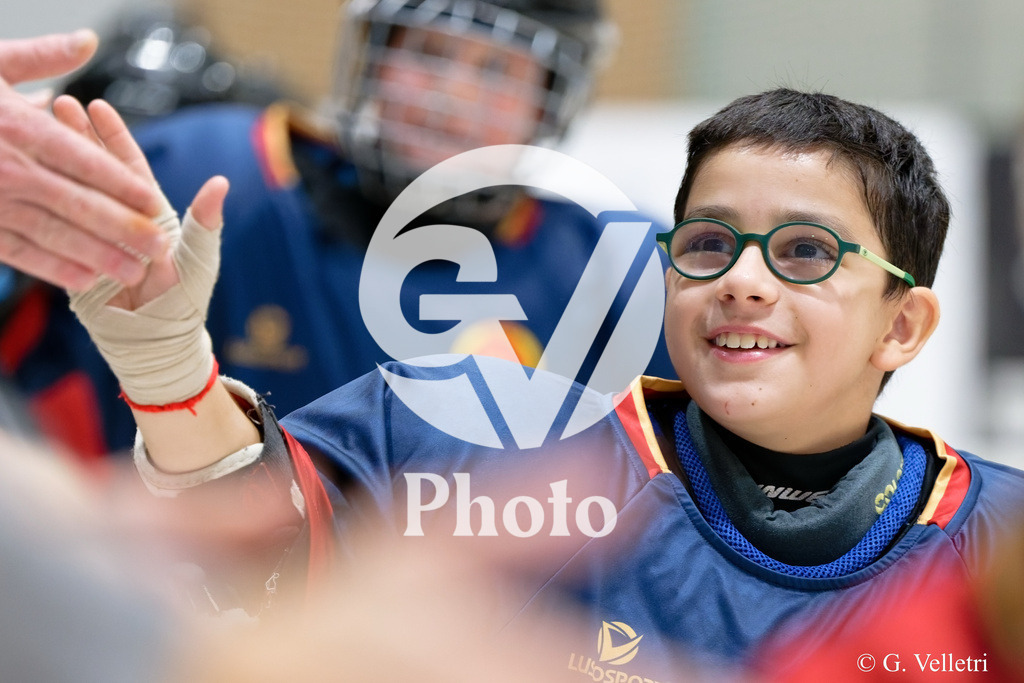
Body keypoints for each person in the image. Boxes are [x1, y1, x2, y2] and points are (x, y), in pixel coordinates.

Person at [31, 83, 1024, 678]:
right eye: (709, 244)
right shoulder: (480, 440)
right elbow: (247, 546)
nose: (742, 282)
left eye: (803, 253)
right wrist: (165, 364)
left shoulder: (1002, 550)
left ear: (903, 323)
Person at [2, 0, 674, 459]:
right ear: (374, 57)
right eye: (430, 53)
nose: (452, 95)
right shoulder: (202, 174)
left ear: (552, 96)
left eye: (497, 69)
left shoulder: (621, 269)